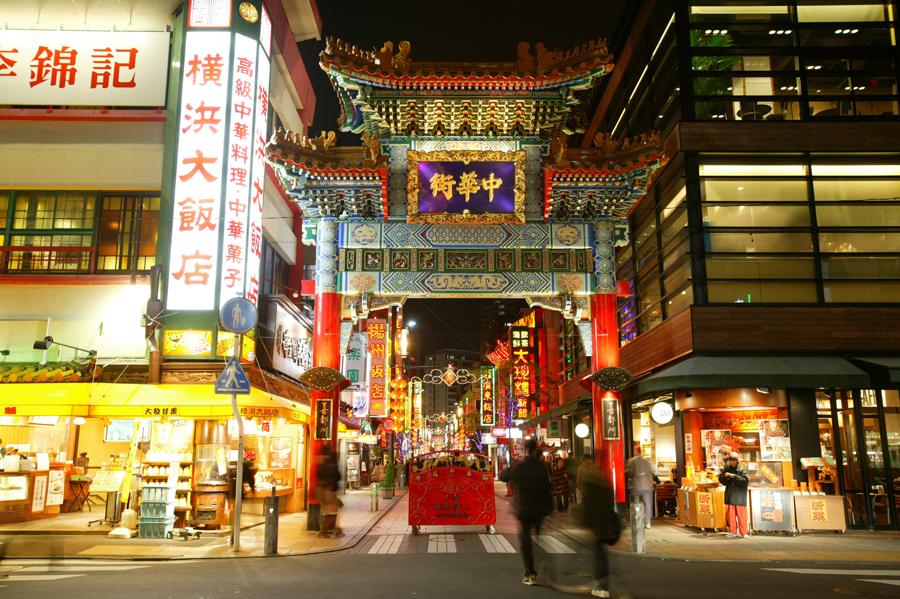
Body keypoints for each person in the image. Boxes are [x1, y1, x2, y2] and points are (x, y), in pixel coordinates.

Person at [501, 438, 552, 586]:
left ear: (525, 449)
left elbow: (504, 476)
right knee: (539, 537)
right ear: (536, 450)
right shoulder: (542, 467)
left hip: (524, 509)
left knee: (525, 541)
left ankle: (530, 573)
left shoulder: (520, 466)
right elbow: (548, 488)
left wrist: (512, 467)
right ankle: (544, 562)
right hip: (540, 508)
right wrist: (551, 509)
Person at [580, 462, 621, 598]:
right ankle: (604, 584)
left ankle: (603, 587)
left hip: (598, 526)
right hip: (609, 524)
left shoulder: (589, 488)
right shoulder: (605, 485)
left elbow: (588, 509)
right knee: (602, 554)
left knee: (599, 555)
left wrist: (585, 524)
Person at [719, 451, 750, 538]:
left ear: (737, 460)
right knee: (730, 515)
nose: (731, 462)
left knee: (742, 515)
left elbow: (745, 481)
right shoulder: (727, 468)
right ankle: (732, 531)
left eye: (733, 460)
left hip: (740, 495)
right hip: (730, 494)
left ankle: (744, 532)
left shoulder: (742, 468)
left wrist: (734, 476)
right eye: (730, 460)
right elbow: (722, 481)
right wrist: (724, 476)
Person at [625, 449, 658, 529]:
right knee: (648, 504)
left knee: (636, 503)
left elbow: (630, 473)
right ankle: (648, 522)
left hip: (636, 487)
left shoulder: (632, 461)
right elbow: (652, 472)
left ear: (636, 452)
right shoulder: (647, 462)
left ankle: (637, 520)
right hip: (647, 486)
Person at [316, 445, 343, 538]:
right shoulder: (333, 466)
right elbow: (338, 477)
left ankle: (331, 530)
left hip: (322, 490)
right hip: (330, 491)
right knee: (332, 512)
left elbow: (318, 475)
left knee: (327, 512)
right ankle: (324, 531)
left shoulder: (321, 464)